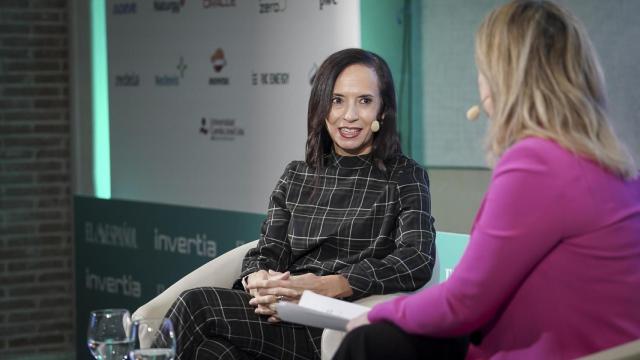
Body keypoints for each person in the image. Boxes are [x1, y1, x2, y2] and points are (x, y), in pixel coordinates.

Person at [334, 1, 640, 359]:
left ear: (501, 78)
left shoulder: (537, 163)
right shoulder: (606, 162)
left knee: (370, 341)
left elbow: (464, 302)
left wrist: (377, 313)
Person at [165, 48, 437, 359]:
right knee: (212, 351)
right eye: (337, 100)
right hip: (276, 313)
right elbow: (267, 251)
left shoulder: (404, 176)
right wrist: (259, 281)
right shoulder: (297, 175)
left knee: (196, 305)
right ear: (322, 107)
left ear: (382, 110)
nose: (349, 115)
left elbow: (416, 259)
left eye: (364, 101)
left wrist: (330, 285)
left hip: (330, 324)